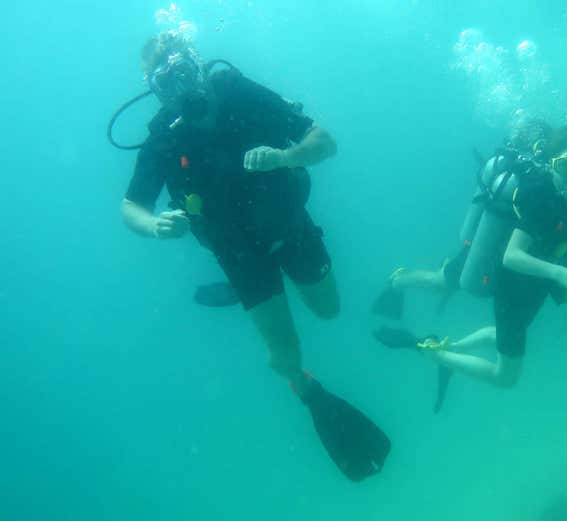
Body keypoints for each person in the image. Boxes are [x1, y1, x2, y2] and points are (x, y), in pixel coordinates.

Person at [114, 31, 389, 481]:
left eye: (183, 73)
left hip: (290, 228)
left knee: (328, 310)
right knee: (284, 350)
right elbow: (131, 207)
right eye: (166, 85)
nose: (180, 90)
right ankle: (305, 390)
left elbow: (325, 141)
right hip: (238, 254)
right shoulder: (163, 137)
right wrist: (154, 226)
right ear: (155, 92)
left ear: (198, 65)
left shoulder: (240, 93)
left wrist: (287, 156)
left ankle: (252, 297)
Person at [375, 125, 567, 389]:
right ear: (552, 164)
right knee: (505, 377)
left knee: (503, 329)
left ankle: (452, 346)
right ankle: (427, 345)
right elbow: (511, 256)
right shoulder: (539, 197)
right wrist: (562, 273)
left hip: (537, 277)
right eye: (566, 165)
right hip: (507, 277)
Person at [371, 118, 553, 319]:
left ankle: (436, 270)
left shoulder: (518, 168)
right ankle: (399, 280)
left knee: (447, 281)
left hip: (489, 239)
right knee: (440, 282)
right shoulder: (523, 173)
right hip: (484, 242)